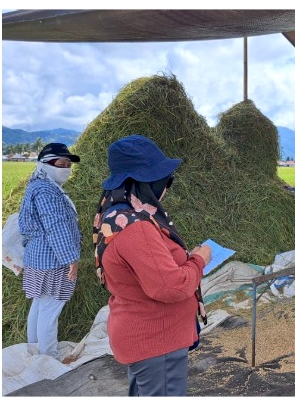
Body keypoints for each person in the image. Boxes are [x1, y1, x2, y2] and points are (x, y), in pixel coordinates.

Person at [93, 135, 211, 396]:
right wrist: (199, 259)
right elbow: (171, 287)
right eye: (163, 180)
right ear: (145, 184)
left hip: (146, 340)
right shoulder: (137, 229)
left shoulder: (115, 215)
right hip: (157, 342)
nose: (166, 187)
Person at [18, 143, 82, 358]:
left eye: (67, 165)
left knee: (40, 303)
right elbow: (56, 226)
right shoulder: (46, 190)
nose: (65, 168)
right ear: (45, 164)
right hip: (52, 259)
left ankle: (34, 350)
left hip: (39, 258)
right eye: (60, 164)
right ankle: (48, 357)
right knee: (51, 308)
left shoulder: (40, 185)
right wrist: (71, 258)